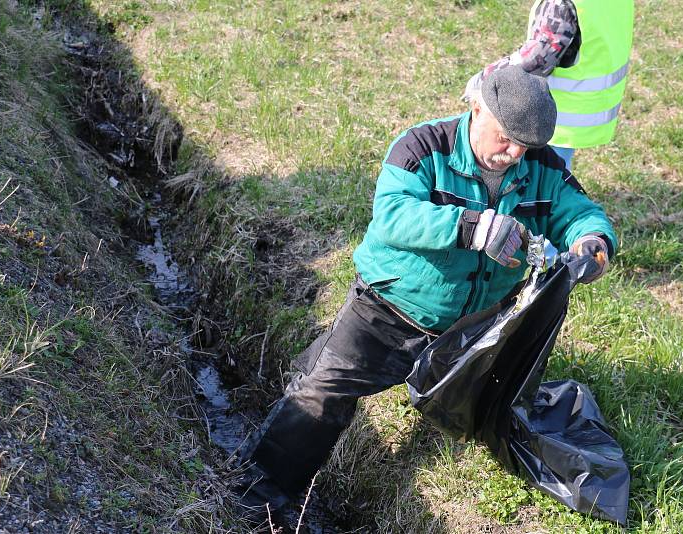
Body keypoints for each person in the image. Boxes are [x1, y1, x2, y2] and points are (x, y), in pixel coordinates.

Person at [233, 66, 617, 523]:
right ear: (477, 108)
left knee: (504, 413)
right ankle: (258, 499)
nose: (514, 154)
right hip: (390, 311)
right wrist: (469, 227)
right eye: (505, 138)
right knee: (320, 391)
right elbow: (392, 215)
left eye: (525, 146)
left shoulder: (542, 167)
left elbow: (581, 213)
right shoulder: (422, 147)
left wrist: (592, 242)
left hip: (476, 328)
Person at [463, 0, 635, 170]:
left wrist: (487, 78)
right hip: (590, 103)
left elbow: (537, 59)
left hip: (554, 113)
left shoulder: (560, 4)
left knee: (540, 173)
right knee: (556, 169)